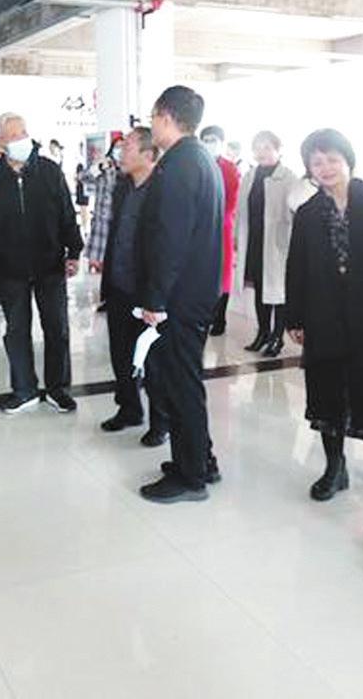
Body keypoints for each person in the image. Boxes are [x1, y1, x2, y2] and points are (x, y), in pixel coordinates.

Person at [284, 128, 363, 502]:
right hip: (324, 315)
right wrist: (295, 317)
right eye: (317, 162)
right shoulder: (307, 213)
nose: (326, 168)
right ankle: (335, 466)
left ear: (348, 160)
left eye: (332, 159)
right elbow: (296, 267)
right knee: (326, 387)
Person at [135, 86, 224, 503]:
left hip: (180, 296)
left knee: (181, 383)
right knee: (185, 380)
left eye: (153, 117)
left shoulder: (178, 164)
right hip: (195, 290)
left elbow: (170, 239)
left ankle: (191, 478)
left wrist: (155, 299)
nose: (152, 124)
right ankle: (201, 459)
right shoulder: (199, 157)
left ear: (165, 116)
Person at [0, 112, 83, 415]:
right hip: (9, 269)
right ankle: (24, 389)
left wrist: (74, 251)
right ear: (0, 142)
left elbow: (67, 213)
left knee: (57, 328)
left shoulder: (49, 171)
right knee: (16, 330)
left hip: (50, 264)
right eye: (13, 135)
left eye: (23, 132)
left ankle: (58, 388)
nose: (21, 139)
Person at [91, 127, 169, 446]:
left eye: (128, 147)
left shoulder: (163, 191)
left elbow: (165, 247)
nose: (121, 152)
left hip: (147, 290)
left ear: (148, 155)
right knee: (120, 353)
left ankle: (160, 421)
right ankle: (129, 409)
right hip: (120, 285)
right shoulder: (122, 187)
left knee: (153, 359)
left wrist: (158, 295)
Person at [237, 131, 305, 357]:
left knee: (278, 293)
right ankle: (263, 332)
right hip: (255, 241)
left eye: (267, 147)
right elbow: (242, 210)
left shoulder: (288, 177)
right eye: (257, 148)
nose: (262, 152)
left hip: (277, 244)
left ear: (278, 150)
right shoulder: (250, 175)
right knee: (260, 289)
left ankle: (277, 337)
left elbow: (297, 210)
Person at [199, 125, 241, 338]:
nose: (210, 143)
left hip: (222, 227)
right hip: (199, 229)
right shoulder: (198, 164)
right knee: (202, 273)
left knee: (223, 275)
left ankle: (220, 317)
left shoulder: (230, 168)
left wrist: (217, 219)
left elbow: (233, 201)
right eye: (206, 139)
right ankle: (205, 314)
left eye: (214, 140)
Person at [85, 139, 121, 313]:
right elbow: (84, 178)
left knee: (116, 263)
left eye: (123, 147)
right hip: (102, 223)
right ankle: (107, 297)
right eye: (117, 148)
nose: (120, 151)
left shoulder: (128, 170)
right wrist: (98, 167)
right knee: (104, 263)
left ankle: (114, 297)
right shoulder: (103, 167)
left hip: (119, 223)